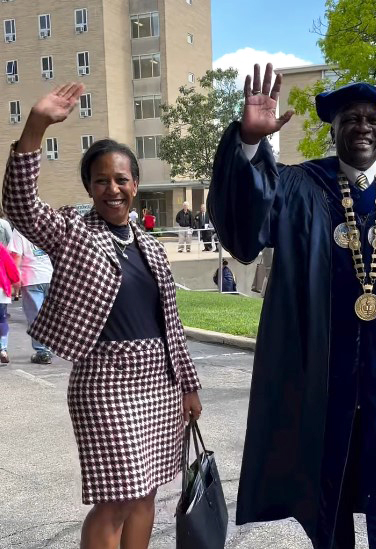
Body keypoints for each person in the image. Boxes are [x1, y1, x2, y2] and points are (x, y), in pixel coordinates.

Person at [208, 63, 376, 549]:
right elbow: (246, 228)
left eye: (373, 120)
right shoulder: (299, 187)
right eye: (350, 118)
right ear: (332, 129)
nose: (362, 127)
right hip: (321, 372)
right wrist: (250, 142)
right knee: (326, 487)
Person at [2, 83, 202, 549]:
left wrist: (189, 386)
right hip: (105, 379)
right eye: (101, 180)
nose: (113, 189)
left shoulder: (150, 245)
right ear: (90, 187)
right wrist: (36, 128)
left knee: (147, 489)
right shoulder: (74, 231)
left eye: (122, 179)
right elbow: (22, 208)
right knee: (115, 497)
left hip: (159, 382)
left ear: (136, 184)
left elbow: (170, 326)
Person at [9, 229, 54, 364]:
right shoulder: (45, 226)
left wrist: (15, 279)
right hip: (50, 276)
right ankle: (52, 346)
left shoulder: (20, 230)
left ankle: (43, 351)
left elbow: (16, 255)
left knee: (35, 317)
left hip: (31, 279)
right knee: (50, 315)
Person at [0, 243, 20, 364]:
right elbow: (10, 266)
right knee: (2, 320)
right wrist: (16, 280)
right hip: (1, 290)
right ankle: (2, 349)